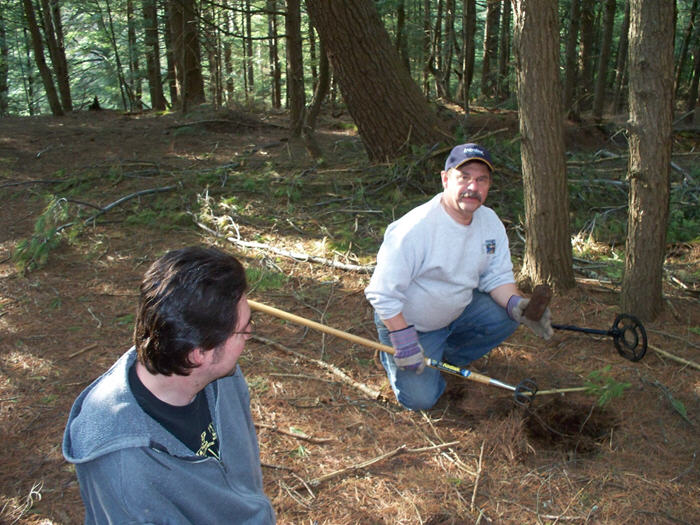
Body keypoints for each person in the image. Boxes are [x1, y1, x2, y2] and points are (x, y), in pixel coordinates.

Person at [63, 246, 276, 524]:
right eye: (244, 328)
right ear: (199, 354)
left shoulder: (220, 377)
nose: (249, 333)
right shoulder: (125, 467)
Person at [365, 143, 553, 411]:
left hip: (459, 310)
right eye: (463, 177)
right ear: (445, 179)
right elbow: (381, 293)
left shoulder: (489, 222)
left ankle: (443, 356)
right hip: (408, 324)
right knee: (420, 400)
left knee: (506, 316)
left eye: (481, 180)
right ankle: (402, 356)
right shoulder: (415, 228)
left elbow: (497, 278)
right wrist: (404, 341)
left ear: (488, 185)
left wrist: (516, 305)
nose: (473, 187)